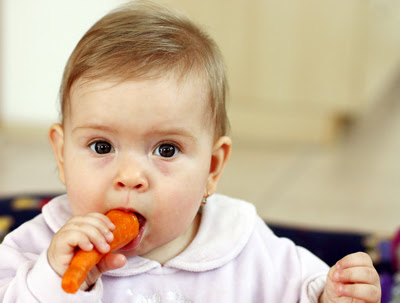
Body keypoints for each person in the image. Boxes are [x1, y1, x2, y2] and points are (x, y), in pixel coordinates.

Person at [0, 1, 381, 302]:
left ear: (212, 168)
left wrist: (334, 294)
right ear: (63, 154)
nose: (130, 176)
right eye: (102, 146)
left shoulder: (241, 241)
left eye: (166, 149)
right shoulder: (36, 248)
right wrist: (53, 280)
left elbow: (303, 287)